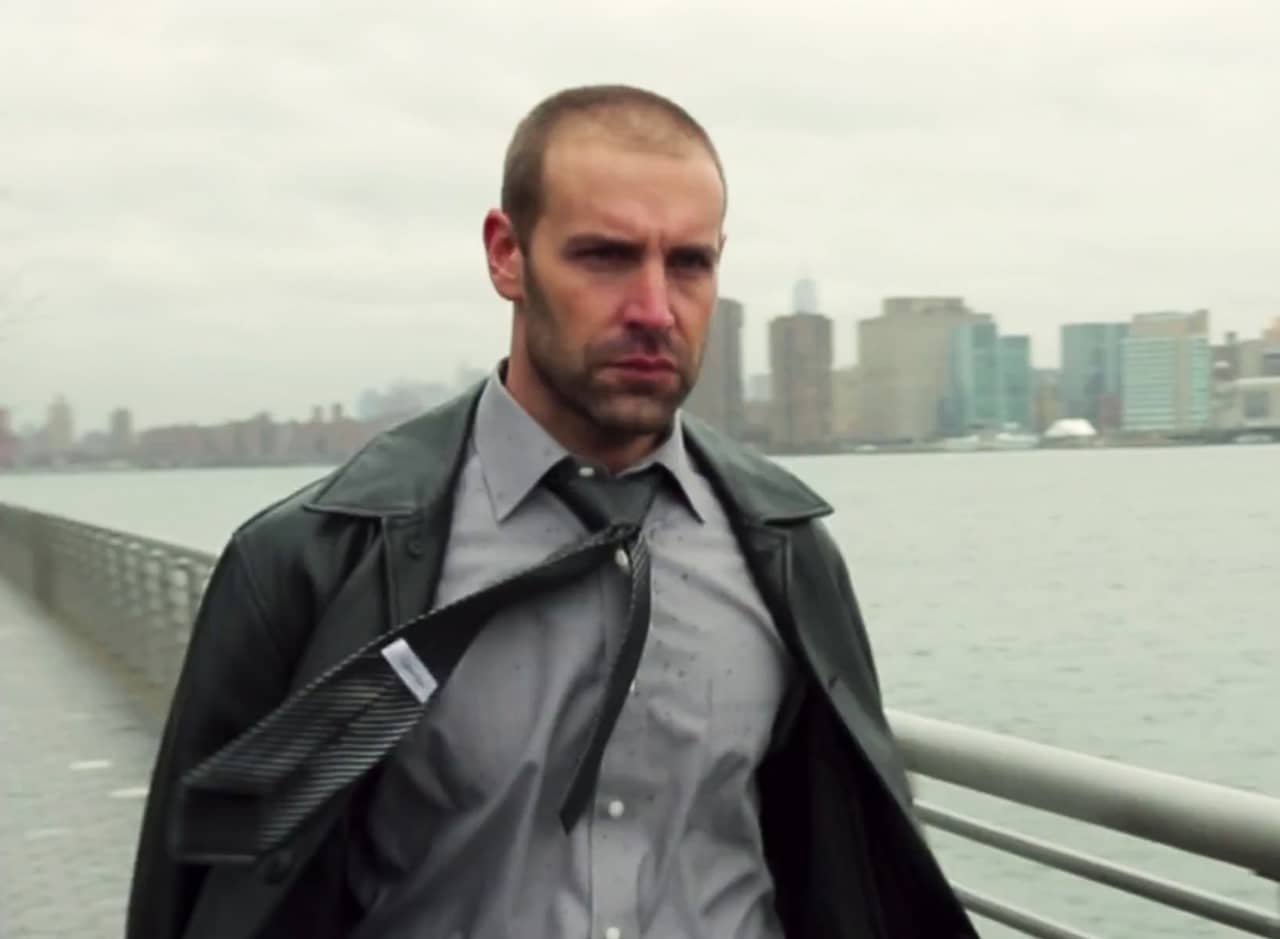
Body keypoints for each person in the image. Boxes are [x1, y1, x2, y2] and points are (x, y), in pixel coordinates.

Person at [125, 84, 977, 939]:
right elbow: (204, 896)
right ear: (507, 255)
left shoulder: (787, 555)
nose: (654, 308)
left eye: (688, 263)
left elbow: (843, 865)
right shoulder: (318, 563)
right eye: (605, 256)